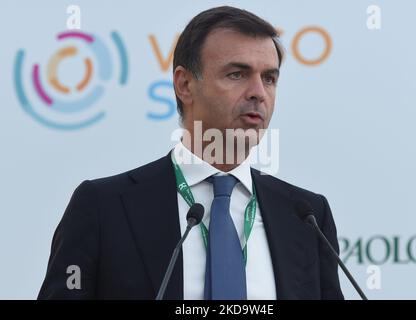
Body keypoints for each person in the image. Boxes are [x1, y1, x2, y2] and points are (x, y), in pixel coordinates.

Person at [38, 6, 344, 300]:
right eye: (237, 74)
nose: (258, 93)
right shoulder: (103, 207)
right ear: (184, 84)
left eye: (270, 78)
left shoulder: (307, 216)